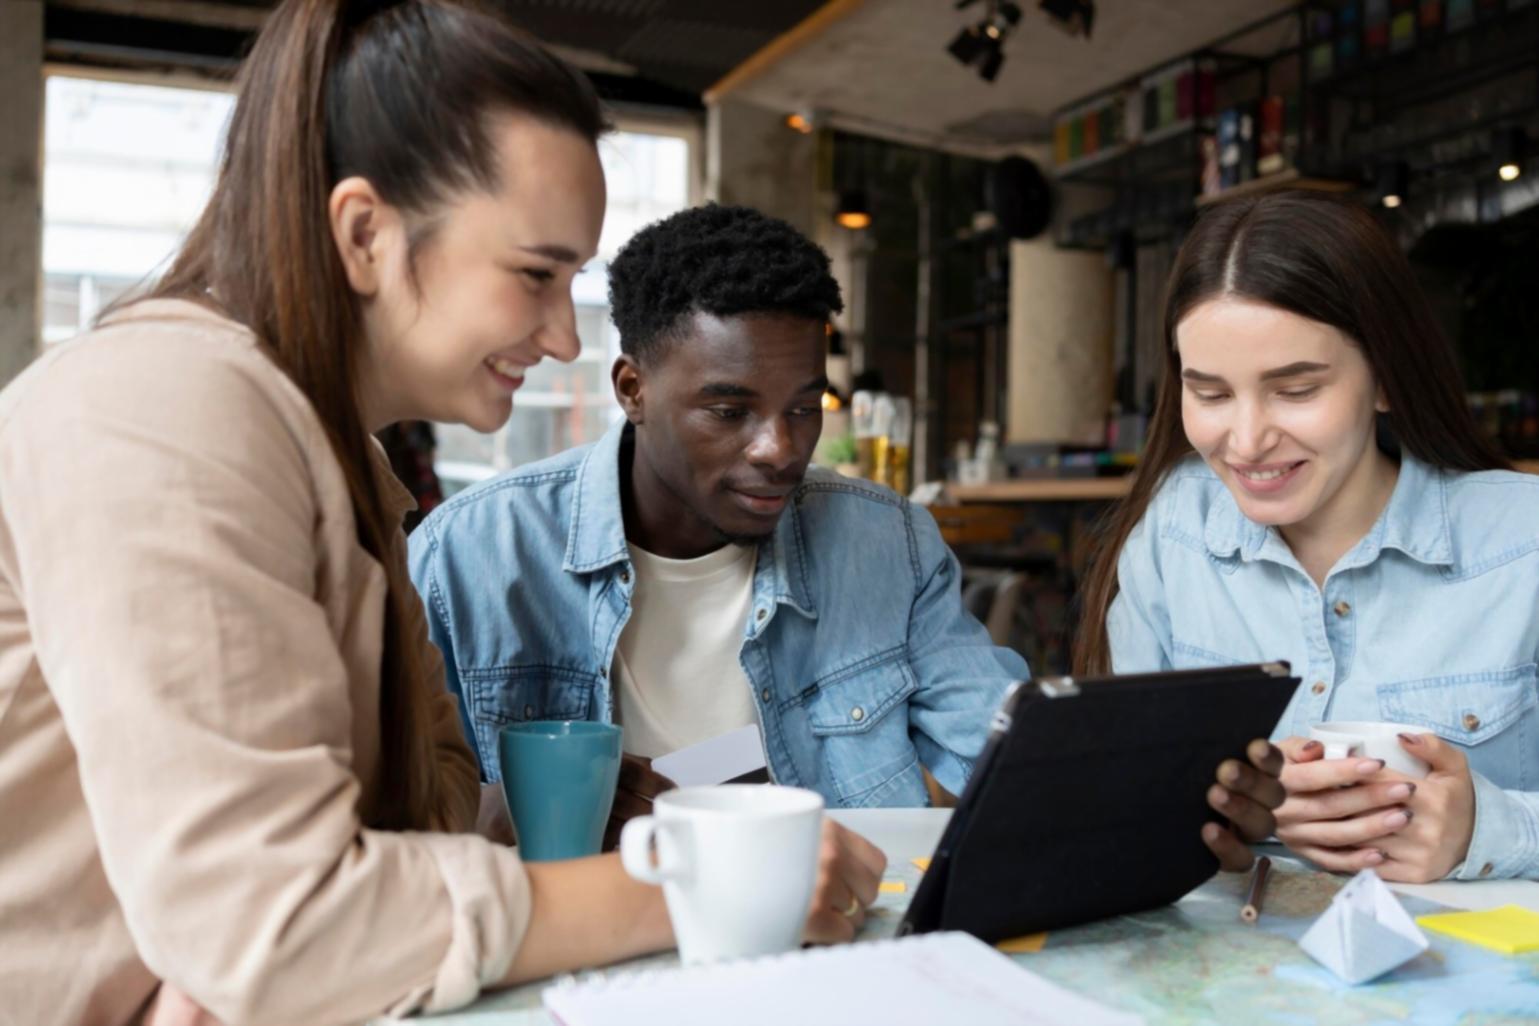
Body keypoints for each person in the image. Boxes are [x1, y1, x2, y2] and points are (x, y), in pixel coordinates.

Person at [0, 4, 884, 1024]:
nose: (562, 337)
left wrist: (565, 826)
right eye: (536, 275)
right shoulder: (163, 413)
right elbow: (282, 929)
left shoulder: (347, 464)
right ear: (367, 234)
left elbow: (427, 796)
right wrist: (701, 879)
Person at [408, 203, 1284, 864]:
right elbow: (383, 821)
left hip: (826, 957)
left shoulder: (885, 545)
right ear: (632, 388)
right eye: (729, 410)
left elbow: (1002, 753)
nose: (779, 449)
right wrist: (493, 814)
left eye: (803, 408)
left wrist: (1170, 793)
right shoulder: (472, 558)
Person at [1075, 191, 1537, 883]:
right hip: (1230, 976)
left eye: (1294, 389)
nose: (1247, 439)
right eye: (1209, 393)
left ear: (1384, 377)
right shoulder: (1175, 532)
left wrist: (1486, 828)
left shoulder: (1521, 542)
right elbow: (1115, 792)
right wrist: (1225, 813)